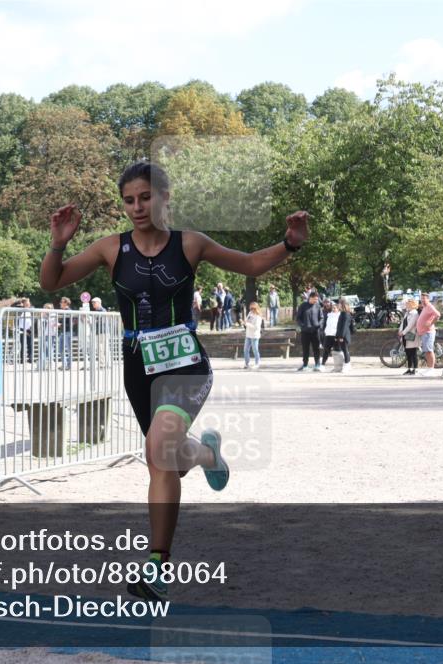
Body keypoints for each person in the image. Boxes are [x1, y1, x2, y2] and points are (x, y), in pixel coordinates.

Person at [40, 161, 308, 602]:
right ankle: (206, 453)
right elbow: (51, 282)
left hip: (185, 363)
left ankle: (157, 565)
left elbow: (250, 265)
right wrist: (57, 244)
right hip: (137, 368)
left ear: (165, 197)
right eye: (129, 200)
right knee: (168, 459)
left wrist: (290, 244)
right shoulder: (111, 248)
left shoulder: (190, 243)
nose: (137, 207)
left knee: (158, 450)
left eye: (145, 197)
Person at [295, 291, 323, 372]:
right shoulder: (303, 306)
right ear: (310, 298)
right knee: (305, 349)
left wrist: (319, 324)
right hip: (305, 331)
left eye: (317, 299)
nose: (316, 301)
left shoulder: (318, 306)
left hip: (315, 331)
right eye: (315, 299)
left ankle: (317, 364)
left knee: (316, 349)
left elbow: (321, 318)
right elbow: (298, 318)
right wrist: (302, 325)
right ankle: (305, 365)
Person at [415, 293, 440, 376]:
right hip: (424, 332)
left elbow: (438, 315)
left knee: (429, 350)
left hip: (428, 332)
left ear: (428, 299)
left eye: (424, 298)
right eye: (421, 298)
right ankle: (429, 368)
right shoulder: (425, 307)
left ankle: (431, 369)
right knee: (426, 351)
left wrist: (431, 323)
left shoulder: (429, 306)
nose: (422, 300)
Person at [398, 298, 419, 375]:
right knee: (408, 353)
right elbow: (403, 323)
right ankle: (409, 368)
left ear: (412, 304)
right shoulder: (407, 313)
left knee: (413, 352)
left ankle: (415, 369)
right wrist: (400, 330)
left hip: (411, 335)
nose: (406, 305)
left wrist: (403, 332)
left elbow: (410, 325)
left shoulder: (415, 313)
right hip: (405, 335)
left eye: (408, 304)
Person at [334, 298, 355, 372]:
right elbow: (339, 326)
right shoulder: (342, 313)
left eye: (339, 304)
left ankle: (347, 364)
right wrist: (337, 336)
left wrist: (341, 336)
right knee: (344, 350)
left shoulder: (346, 314)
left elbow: (344, 326)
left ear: (342, 305)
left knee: (345, 350)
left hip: (344, 335)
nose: (338, 305)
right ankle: (348, 364)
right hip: (342, 335)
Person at [242, 301, 263, 369]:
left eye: (253, 308)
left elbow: (256, 327)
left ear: (256, 308)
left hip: (254, 335)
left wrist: (247, 324)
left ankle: (257, 363)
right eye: (250, 308)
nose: (251, 310)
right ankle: (246, 363)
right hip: (248, 334)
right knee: (245, 350)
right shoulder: (250, 313)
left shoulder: (258, 316)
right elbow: (247, 320)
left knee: (255, 350)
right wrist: (244, 322)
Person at [320, 300, 340, 368]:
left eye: (335, 308)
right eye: (333, 308)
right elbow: (326, 325)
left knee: (337, 351)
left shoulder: (340, 316)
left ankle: (339, 365)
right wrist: (325, 332)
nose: (333, 309)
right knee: (326, 350)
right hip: (328, 335)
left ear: (338, 309)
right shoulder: (329, 315)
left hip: (336, 335)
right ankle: (322, 364)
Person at [58, 296, 77, 370]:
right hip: (62, 332)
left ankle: (69, 365)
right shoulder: (62, 311)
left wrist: (60, 325)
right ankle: (64, 364)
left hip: (68, 332)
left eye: (61, 302)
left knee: (69, 349)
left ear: (66, 303)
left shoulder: (69, 311)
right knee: (61, 349)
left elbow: (71, 323)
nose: (60, 303)